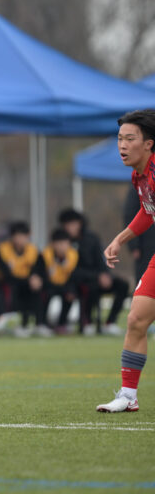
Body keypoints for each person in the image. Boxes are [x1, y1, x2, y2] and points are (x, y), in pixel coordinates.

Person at [98, 109, 155, 413]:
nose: (122, 145)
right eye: (120, 138)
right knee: (135, 320)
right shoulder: (140, 176)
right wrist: (119, 240)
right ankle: (128, 396)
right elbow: (148, 211)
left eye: (129, 138)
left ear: (148, 144)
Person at [60, 208, 128, 336]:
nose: (71, 227)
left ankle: (110, 323)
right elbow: (72, 269)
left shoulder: (92, 238)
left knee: (123, 285)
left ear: (80, 223)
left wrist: (106, 274)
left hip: (99, 277)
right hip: (79, 281)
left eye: (73, 224)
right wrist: (98, 276)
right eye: (68, 224)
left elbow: (101, 259)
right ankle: (87, 323)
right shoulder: (64, 242)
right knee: (90, 287)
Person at [0, 221, 43, 337]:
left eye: (23, 236)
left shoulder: (33, 251)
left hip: (27, 284)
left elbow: (37, 270)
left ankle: (39, 324)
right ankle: (14, 324)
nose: (20, 240)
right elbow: (6, 274)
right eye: (17, 236)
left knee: (37, 289)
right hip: (9, 283)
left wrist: (35, 278)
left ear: (28, 236)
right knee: (12, 292)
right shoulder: (3, 250)